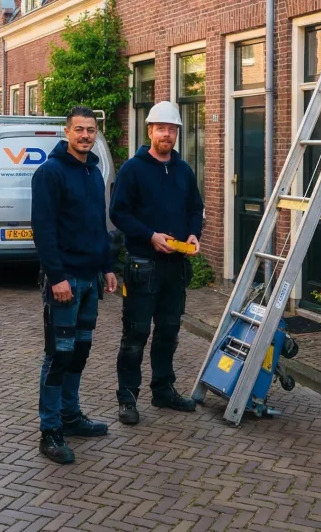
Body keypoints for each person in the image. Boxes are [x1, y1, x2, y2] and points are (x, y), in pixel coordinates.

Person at [31, 105, 118, 464]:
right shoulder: (50, 173)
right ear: (67, 132)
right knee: (58, 354)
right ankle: (50, 430)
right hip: (64, 282)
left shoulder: (94, 173)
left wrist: (109, 266)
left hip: (91, 279)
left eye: (91, 130)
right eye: (79, 130)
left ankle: (71, 415)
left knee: (79, 352)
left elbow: (99, 223)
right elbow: (43, 229)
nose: (85, 136)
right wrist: (57, 277)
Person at [110, 101, 204, 425]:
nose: (167, 134)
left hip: (175, 267)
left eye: (172, 129)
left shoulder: (184, 170)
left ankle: (163, 390)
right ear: (150, 130)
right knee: (135, 334)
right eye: (161, 128)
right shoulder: (132, 170)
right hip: (142, 265)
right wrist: (150, 235)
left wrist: (194, 234)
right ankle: (127, 398)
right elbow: (118, 212)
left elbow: (195, 207)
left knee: (168, 331)